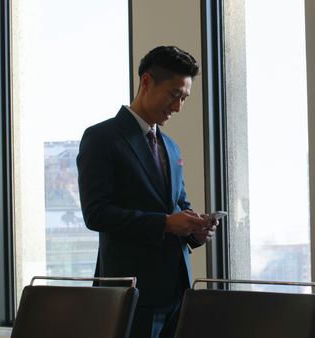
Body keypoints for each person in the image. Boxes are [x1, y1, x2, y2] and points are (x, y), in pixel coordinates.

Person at [77, 46, 216, 338]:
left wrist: (196, 229)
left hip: (178, 292)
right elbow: (96, 213)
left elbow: (179, 205)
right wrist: (165, 223)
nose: (178, 106)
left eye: (184, 99)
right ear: (146, 82)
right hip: (131, 293)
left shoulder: (172, 147)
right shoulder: (101, 138)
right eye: (174, 94)